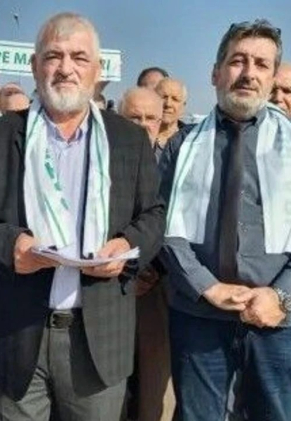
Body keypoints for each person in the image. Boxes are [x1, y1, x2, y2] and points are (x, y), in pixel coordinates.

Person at [0, 12, 165, 421]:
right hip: (16, 335)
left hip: (100, 339)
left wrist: (127, 246)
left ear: (96, 70)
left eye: (79, 57)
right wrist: (10, 246)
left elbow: (154, 215)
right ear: (35, 66)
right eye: (53, 56)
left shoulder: (129, 140)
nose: (66, 68)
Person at [158, 19, 291, 421]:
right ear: (216, 72)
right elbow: (165, 230)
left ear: (273, 77)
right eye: (238, 61)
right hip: (199, 316)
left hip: (279, 320)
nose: (248, 73)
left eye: (261, 64)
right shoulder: (182, 146)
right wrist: (207, 287)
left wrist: (282, 296)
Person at [118, 86, 175, 421]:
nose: (142, 125)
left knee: (153, 391)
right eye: (133, 118)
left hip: (158, 287)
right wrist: (129, 271)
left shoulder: (174, 163)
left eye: (150, 118)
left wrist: (153, 271)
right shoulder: (97, 161)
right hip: (111, 287)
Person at [154, 77, 188, 147]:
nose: (168, 104)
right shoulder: (137, 136)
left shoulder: (192, 139)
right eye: (164, 97)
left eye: (175, 99)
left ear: (183, 106)